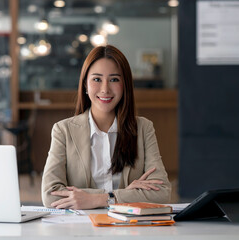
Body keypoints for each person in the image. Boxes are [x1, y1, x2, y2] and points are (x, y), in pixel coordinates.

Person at [41, 45, 171, 210]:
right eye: (97, 79)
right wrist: (126, 194)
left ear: (125, 86)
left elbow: (162, 192)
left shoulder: (144, 128)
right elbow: (50, 194)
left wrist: (103, 198)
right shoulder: (63, 130)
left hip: (128, 229)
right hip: (80, 230)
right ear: (85, 85)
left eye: (114, 79)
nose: (105, 89)